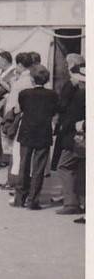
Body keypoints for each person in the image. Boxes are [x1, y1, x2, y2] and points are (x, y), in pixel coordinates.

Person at [11, 65, 58, 209]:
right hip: (43, 132)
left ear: (32, 78)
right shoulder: (53, 95)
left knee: (24, 165)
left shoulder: (24, 94)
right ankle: (33, 200)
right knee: (39, 168)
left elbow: (20, 109)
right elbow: (54, 113)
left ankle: (20, 198)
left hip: (26, 132)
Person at [0, 53, 35, 190]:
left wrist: (7, 119)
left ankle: (13, 182)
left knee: (15, 151)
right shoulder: (31, 79)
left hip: (18, 118)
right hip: (29, 119)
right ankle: (15, 181)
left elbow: (12, 104)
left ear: (20, 65)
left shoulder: (20, 82)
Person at [55, 64, 86, 217]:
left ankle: (71, 202)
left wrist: (62, 128)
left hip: (75, 137)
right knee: (80, 168)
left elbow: (70, 116)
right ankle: (81, 201)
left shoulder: (80, 94)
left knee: (64, 166)